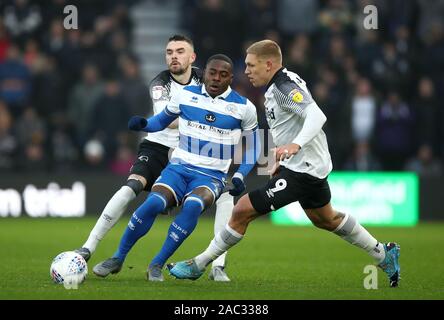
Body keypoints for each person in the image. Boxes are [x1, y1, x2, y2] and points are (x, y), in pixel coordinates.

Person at [168, 40, 401, 288]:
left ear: (268, 65)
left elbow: (316, 116)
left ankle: (199, 264)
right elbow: (283, 127)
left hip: (304, 169)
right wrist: (278, 158)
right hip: (304, 165)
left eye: (250, 65)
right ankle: (383, 254)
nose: (245, 71)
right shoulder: (277, 85)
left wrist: (295, 146)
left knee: (242, 210)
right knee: (326, 219)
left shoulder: (283, 86)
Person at [74, 35, 236, 281]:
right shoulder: (160, 84)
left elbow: (228, 107)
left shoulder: (208, 78)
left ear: (192, 58)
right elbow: (167, 121)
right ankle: (89, 246)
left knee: (227, 193)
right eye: (169, 52)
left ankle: (218, 266)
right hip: (159, 146)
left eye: (180, 51)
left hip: (193, 150)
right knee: (132, 186)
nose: (174, 56)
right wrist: (206, 121)